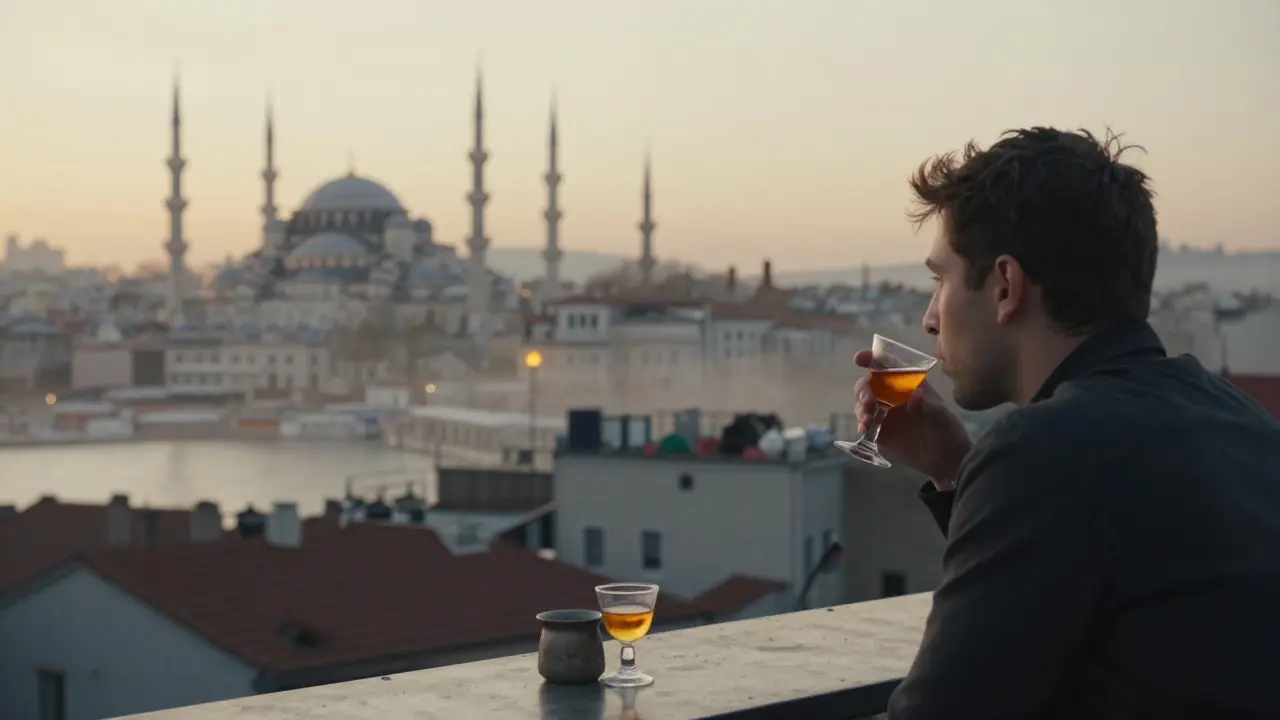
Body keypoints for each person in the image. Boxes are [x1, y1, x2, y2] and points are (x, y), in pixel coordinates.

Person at [853, 127, 1280, 719]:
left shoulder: (1041, 455)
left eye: (940, 279)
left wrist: (992, 469)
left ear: (1006, 286)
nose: (930, 318)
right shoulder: (1240, 421)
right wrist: (957, 470)